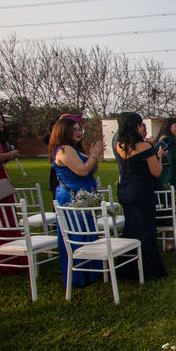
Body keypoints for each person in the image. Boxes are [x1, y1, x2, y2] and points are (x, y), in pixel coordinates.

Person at [49, 117, 106, 287]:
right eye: (73, 129)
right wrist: (94, 155)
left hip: (82, 198)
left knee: (86, 231)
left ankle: (90, 271)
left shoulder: (74, 149)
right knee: (77, 233)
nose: (78, 132)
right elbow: (82, 171)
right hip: (71, 199)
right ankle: (79, 275)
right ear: (63, 131)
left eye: (79, 129)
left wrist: (92, 157)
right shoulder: (64, 149)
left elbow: (91, 168)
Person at [114, 112, 167, 281]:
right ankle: (148, 269)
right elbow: (156, 172)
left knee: (131, 228)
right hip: (141, 191)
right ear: (136, 126)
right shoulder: (144, 146)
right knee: (146, 229)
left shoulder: (120, 146)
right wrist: (158, 155)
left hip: (125, 189)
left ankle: (128, 268)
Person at [0, 111, 25, 274]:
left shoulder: (1, 139)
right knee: (2, 216)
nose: (2, 122)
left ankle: (13, 253)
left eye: (2, 119)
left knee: (9, 214)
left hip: (3, 176)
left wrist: (8, 155)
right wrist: (9, 154)